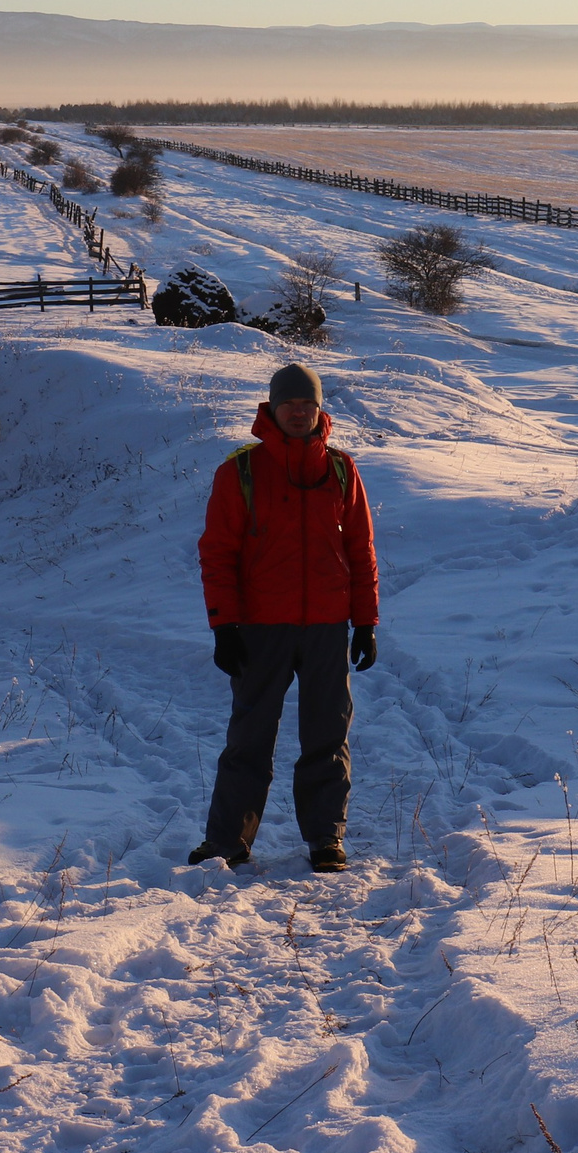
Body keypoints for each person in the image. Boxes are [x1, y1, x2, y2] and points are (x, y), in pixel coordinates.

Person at [191, 362, 378, 873]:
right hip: (260, 629)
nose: (299, 411)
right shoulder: (241, 471)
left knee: (326, 734)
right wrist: (223, 626)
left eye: (308, 403)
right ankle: (226, 841)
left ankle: (325, 839)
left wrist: (365, 623)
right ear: (272, 408)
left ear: (320, 410)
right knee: (250, 736)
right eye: (289, 403)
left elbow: (360, 550)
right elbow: (218, 553)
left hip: (325, 627)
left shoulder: (341, 469)